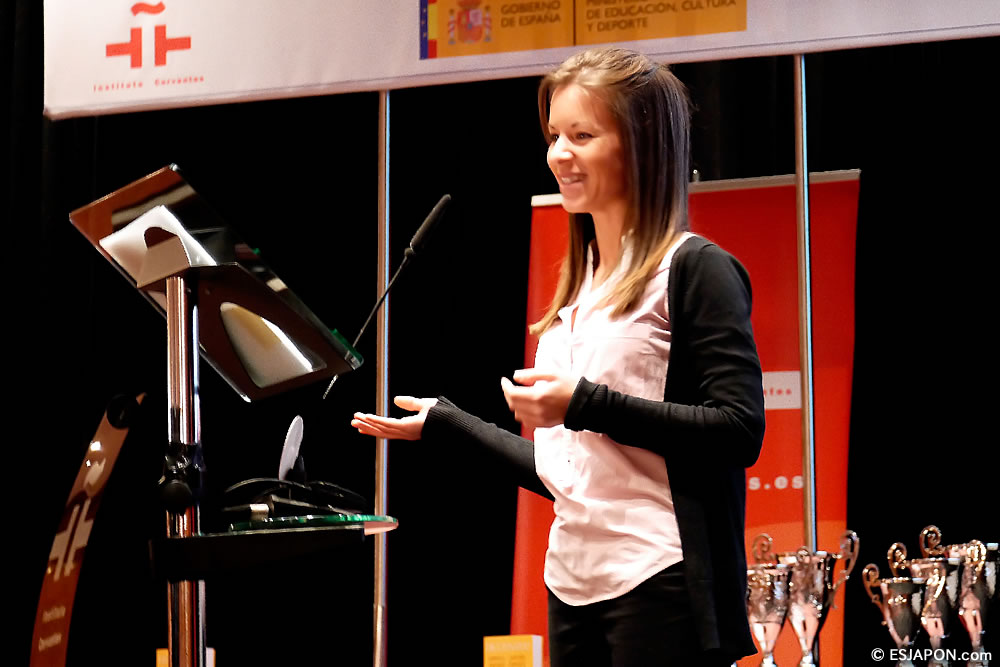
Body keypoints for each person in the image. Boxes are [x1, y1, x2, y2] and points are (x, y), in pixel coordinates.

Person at [352, 47, 765, 667]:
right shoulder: (581, 283)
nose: (559, 155)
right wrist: (450, 424)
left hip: (659, 578)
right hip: (571, 584)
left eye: (582, 135)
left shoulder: (695, 269)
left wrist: (582, 403)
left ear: (641, 144)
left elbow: (739, 430)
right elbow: (572, 473)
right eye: (554, 136)